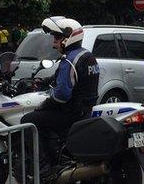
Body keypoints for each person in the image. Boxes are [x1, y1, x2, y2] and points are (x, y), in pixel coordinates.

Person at [20, 17, 100, 177]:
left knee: (28, 121)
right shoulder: (86, 55)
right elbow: (64, 80)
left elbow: (61, 96)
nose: (53, 42)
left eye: (57, 37)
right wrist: (42, 81)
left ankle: (43, 169)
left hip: (71, 113)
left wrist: (43, 105)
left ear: (69, 38)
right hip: (84, 110)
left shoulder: (69, 60)